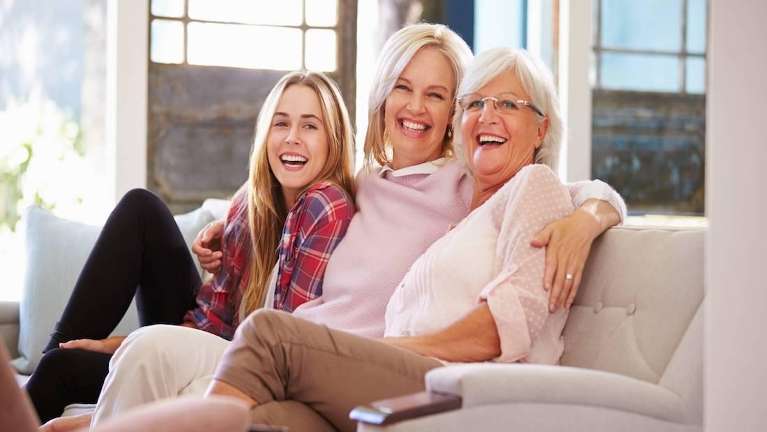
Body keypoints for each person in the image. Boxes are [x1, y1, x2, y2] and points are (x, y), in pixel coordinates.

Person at [83, 23, 625, 430]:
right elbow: (284, 179)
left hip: (345, 361)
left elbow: (556, 189)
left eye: (437, 95)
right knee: (149, 347)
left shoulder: (469, 183)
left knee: (252, 351)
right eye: (403, 88)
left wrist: (591, 215)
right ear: (382, 95)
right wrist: (231, 219)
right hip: (297, 348)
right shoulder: (361, 181)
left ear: (450, 115)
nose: (415, 107)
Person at [206, 46, 592, 432]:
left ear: (541, 128)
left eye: (508, 104)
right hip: (412, 378)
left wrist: (592, 216)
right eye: (475, 104)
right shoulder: (461, 215)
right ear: (460, 120)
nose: (487, 116)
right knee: (270, 421)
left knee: (268, 334)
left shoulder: (534, 185)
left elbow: (507, 325)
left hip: (473, 389)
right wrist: (234, 221)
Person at [29, 71, 356, 427]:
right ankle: (59, 350)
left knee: (58, 370)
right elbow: (210, 323)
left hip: (240, 367)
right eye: (281, 124)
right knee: (140, 210)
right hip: (202, 344)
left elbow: (283, 346)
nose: (292, 138)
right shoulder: (250, 205)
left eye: (310, 126)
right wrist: (120, 345)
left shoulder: (326, 205)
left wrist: (126, 352)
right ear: (265, 135)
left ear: (334, 140)